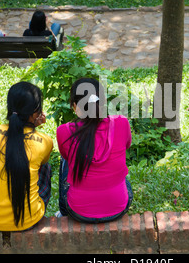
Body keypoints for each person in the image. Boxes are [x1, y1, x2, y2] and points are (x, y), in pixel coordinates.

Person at [0, 81, 53, 231]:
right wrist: (34, 128)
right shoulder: (44, 141)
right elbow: (37, 159)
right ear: (36, 111)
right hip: (29, 219)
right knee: (44, 166)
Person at [56, 78, 133, 223]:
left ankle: (63, 212)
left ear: (74, 106)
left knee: (65, 159)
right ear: (102, 103)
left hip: (79, 211)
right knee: (123, 177)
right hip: (117, 208)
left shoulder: (64, 131)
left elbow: (66, 155)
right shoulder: (121, 123)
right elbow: (126, 145)